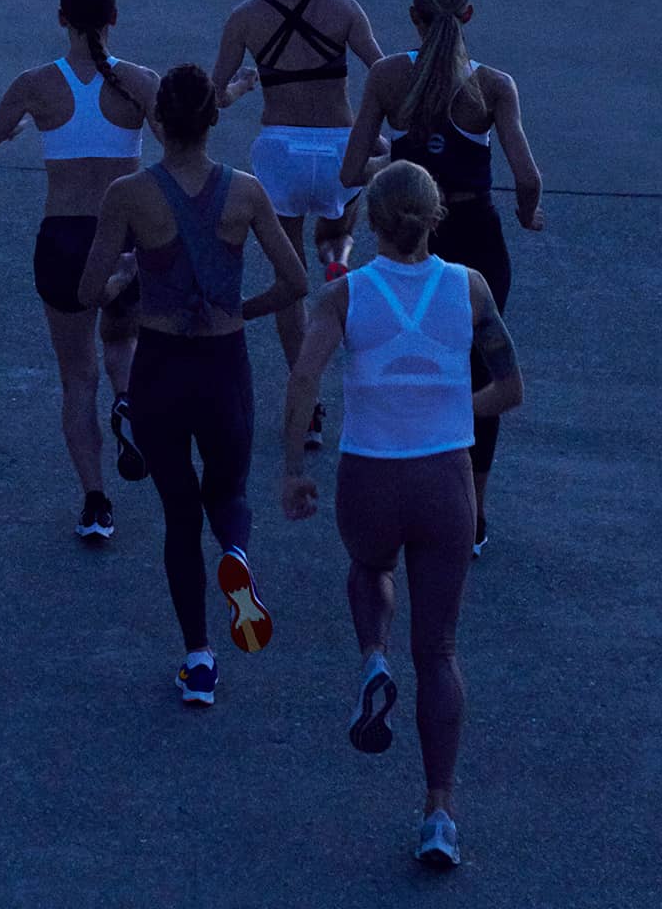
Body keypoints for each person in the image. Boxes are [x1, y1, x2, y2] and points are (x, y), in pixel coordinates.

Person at [281, 160, 524, 865]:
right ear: (436, 217)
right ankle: (439, 813)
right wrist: (450, 408)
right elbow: (510, 388)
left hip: (371, 478)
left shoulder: (347, 294)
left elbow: (304, 376)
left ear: (371, 224)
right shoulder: (470, 287)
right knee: (442, 651)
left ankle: (371, 657)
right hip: (447, 483)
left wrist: (293, 469)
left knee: (367, 568)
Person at [77, 64, 308, 706]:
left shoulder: (128, 194)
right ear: (212, 119)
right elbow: (295, 282)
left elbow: (88, 292)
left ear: (159, 123)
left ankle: (200, 661)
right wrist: (242, 312)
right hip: (223, 364)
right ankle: (234, 550)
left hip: (160, 367)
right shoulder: (248, 193)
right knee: (228, 489)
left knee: (179, 515)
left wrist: (127, 278)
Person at [340, 0, 544, 557]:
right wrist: (528, 217)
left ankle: (397, 486)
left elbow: (351, 172)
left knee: (402, 364)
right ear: (470, 17)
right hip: (477, 238)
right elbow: (527, 177)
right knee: (479, 372)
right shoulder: (494, 86)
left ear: (413, 18)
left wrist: (396, 162)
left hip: (411, 239)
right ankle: (471, 516)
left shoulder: (386, 77)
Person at [0, 0, 159, 540]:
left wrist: (17, 129)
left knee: (76, 378)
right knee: (123, 342)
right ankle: (129, 403)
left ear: (61, 18)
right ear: (113, 20)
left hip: (65, 242)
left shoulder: (36, 85)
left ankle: (96, 504)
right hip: (125, 238)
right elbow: (182, 143)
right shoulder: (139, 82)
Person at [210, 0, 385, 451]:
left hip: (280, 153)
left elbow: (213, 98)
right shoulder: (344, 10)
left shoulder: (244, 18)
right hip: (338, 152)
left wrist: (242, 89)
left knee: (290, 278)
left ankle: (304, 401)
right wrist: (377, 140)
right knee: (344, 210)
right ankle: (338, 253)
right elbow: (383, 77)